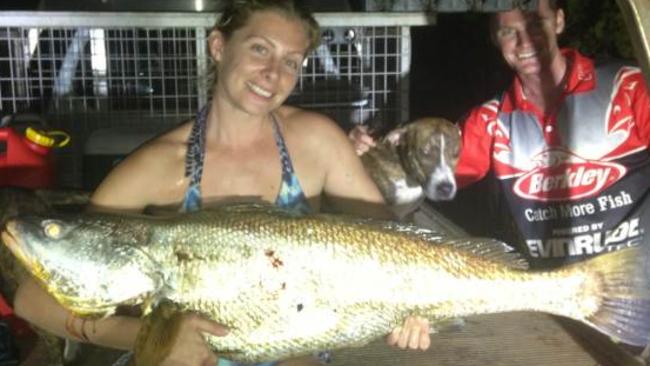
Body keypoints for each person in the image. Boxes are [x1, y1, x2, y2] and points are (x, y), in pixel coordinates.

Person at [9, 1, 428, 365]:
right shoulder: (157, 166)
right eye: (259, 49)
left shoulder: (317, 141)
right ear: (218, 46)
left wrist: (415, 301)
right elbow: (32, 299)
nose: (272, 73)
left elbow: (392, 242)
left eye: (291, 61)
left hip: (295, 352)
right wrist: (147, 337)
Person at [351, 0, 650, 349]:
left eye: (535, 24)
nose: (524, 43)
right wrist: (363, 152)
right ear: (496, 38)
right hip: (561, 304)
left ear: (559, 20)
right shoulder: (491, 120)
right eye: (509, 31)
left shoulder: (629, 87)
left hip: (638, 287)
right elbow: (419, 171)